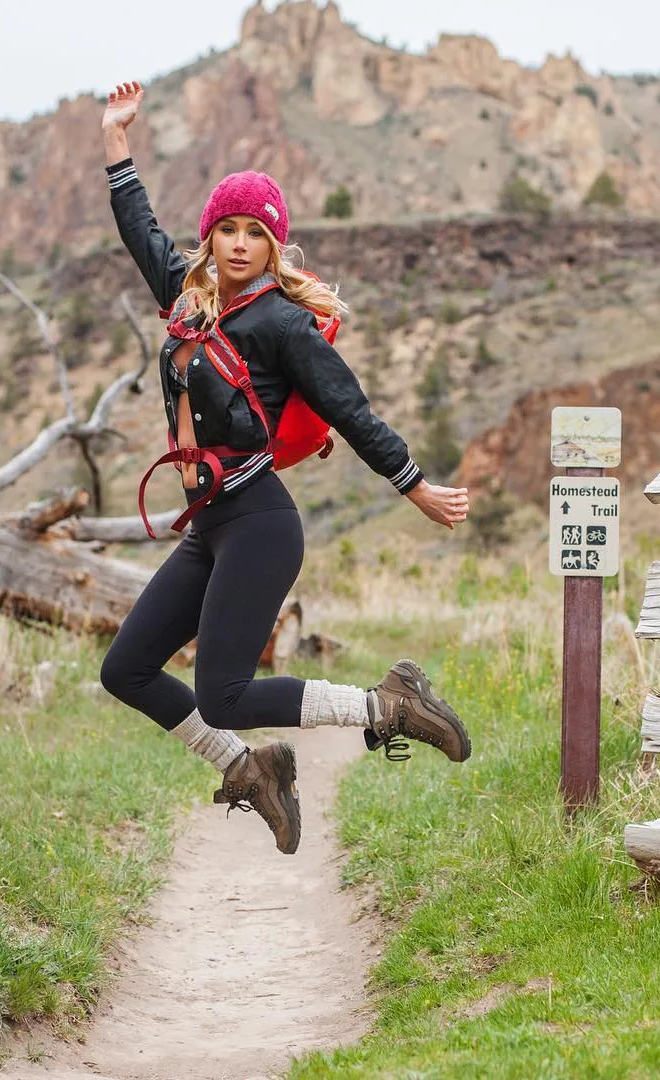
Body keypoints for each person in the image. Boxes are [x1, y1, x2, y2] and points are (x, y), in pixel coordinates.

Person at [98, 80, 472, 856]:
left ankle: (387, 707)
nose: (239, 243)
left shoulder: (284, 322)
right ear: (212, 238)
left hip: (261, 523)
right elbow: (141, 231)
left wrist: (415, 486)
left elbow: (350, 409)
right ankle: (250, 769)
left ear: (274, 246)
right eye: (227, 229)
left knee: (224, 692)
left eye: (254, 232)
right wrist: (116, 142)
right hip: (211, 527)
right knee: (127, 668)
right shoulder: (189, 303)